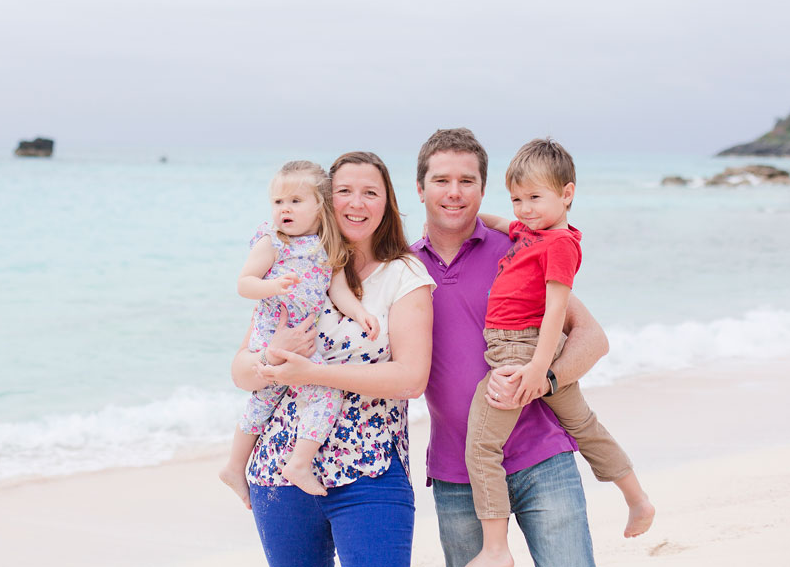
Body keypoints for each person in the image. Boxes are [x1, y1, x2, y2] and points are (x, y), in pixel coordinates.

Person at [412, 128, 607, 567]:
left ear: (484, 190)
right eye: (442, 180)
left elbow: (592, 338)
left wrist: (546, 378)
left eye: (468, 181)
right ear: (420, 187)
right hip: (458, 472)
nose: (455, 193)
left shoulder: (521, 248)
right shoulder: (405, 269)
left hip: (542, 458)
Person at [230, 151, 435, 567]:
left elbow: (411, 380)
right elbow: (241, 373)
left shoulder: (404, 275)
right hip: (280, 465)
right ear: (326, 199)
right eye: (345, 191)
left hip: (368, 468)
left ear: (387, 204)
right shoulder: (286, 261)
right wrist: (270, 356)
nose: (356, 203)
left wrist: (314, 372)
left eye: (370, 193)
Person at [464, 138, 655, 567]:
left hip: (520, 351)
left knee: (480, 445)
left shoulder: (560, 245)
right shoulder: (532, 232)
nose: (524, 208)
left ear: (567, 194)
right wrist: (468, 220)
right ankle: (637, 498)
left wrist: (537, 369)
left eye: (535, 197)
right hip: (523, 348)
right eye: (517, 199)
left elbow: (554, 311)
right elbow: (503, 223)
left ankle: (495, 550)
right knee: (584, 425)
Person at [219, 160, 381, 502]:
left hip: (304, 344)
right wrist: (273, 286)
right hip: (272, 336)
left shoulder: (325, 248)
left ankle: (268, 465)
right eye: (278, 202)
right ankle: (261, 464)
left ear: (319, 208)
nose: (284, 210)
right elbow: (244, 284)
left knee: (307, 392)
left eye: (294, 201)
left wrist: (360, 312)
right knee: (284, 396)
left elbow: (338, 292)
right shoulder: (272, 243)